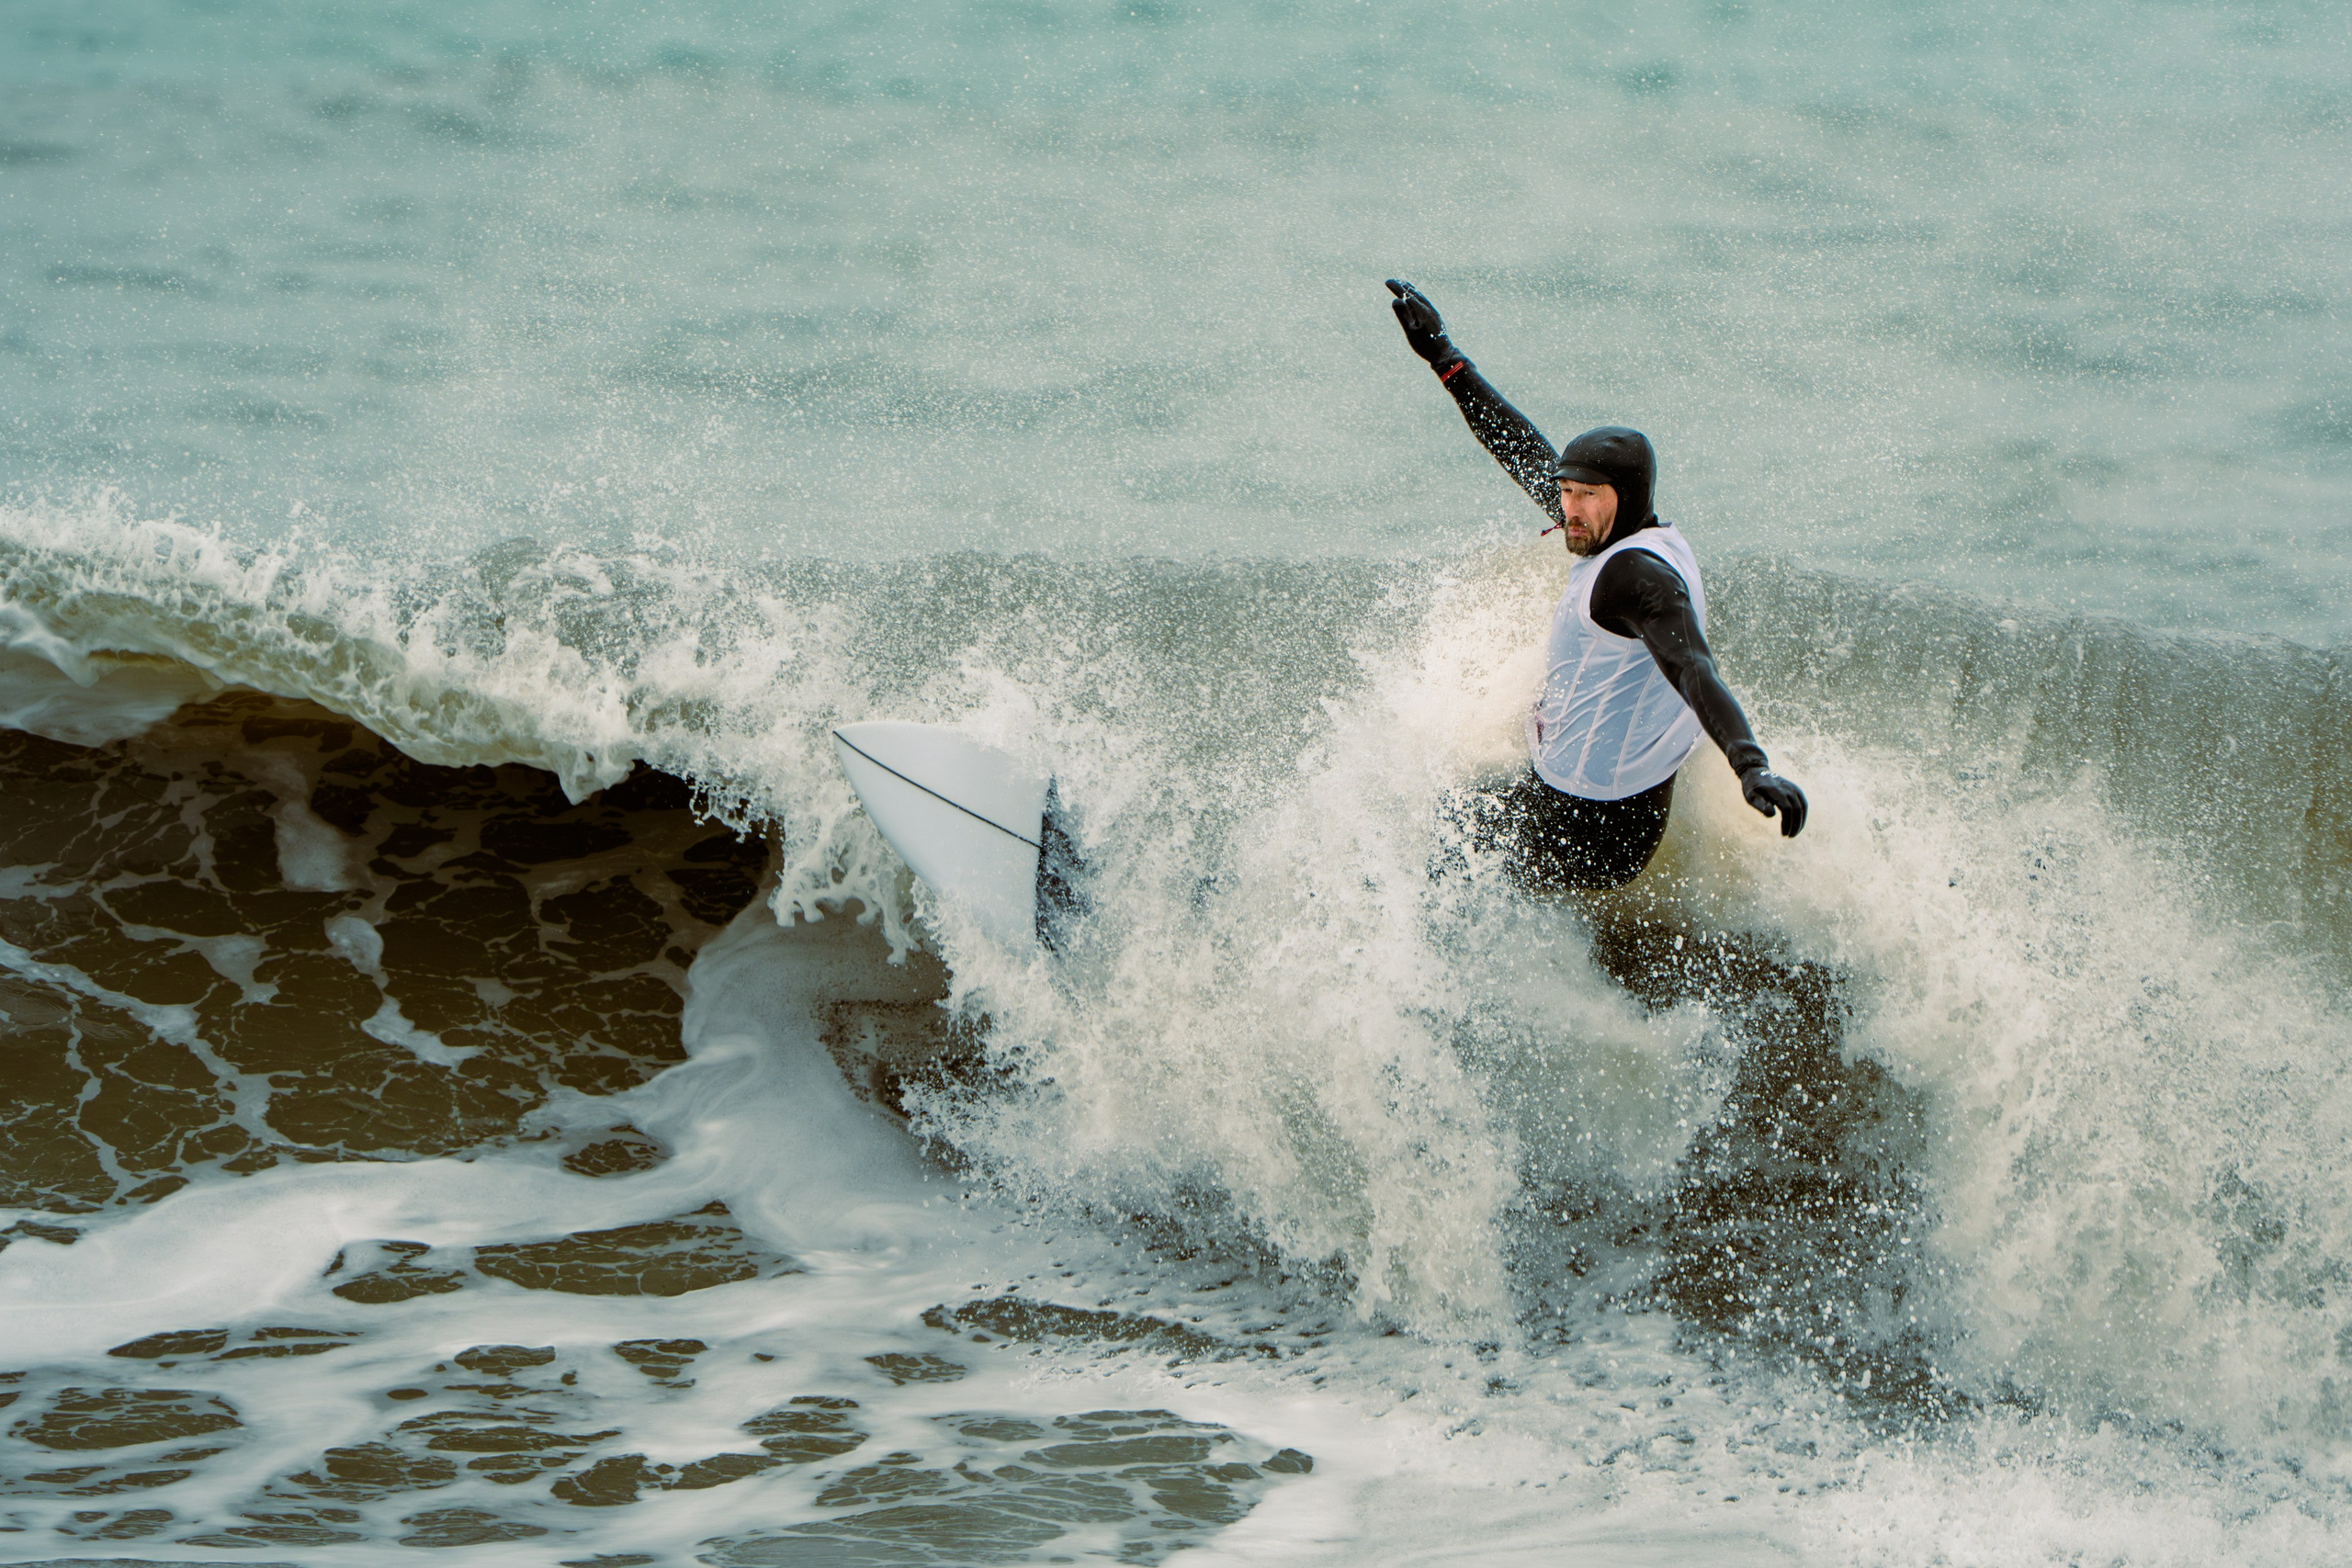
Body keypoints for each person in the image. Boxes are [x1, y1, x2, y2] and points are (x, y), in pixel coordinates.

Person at [1386, 278, 1807, 893]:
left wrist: (1751, 765)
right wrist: (1446, 358)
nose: (1569, 509)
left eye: (1587, 495)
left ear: (1626, 498)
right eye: (1567, 492)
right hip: (1615, 806)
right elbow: (1525, 453)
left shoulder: (1635, 578)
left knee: (1451, 837)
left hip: (1591, 828)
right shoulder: (1630, 532)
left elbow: (1694, 667)